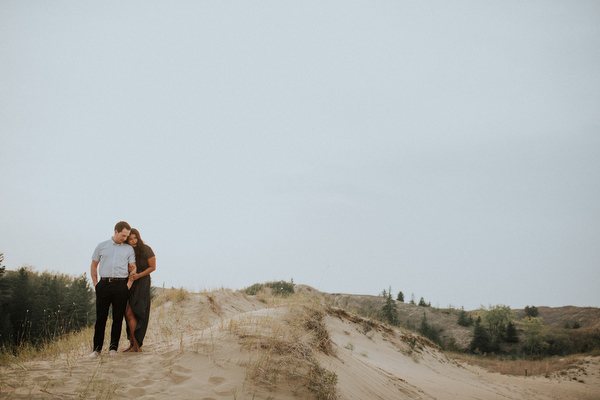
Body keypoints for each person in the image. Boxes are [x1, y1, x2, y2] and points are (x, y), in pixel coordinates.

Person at [90, 221, 136, 357]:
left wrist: (128, 285)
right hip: (103, 284)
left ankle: (113, 348)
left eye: (127, 236)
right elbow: (93, 265)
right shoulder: (101, 246)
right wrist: (95, 283)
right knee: (101, 318)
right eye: (123, 235)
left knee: (117, 318)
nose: (125, 238)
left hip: (121, 285)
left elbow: (133, 267)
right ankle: (96, 349)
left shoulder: (128, 249)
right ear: (116, 232)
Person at [123, 228, 156, 352]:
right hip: (130, 283)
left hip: (142, 282)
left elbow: (153, 267)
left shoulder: (146, 249)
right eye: (130, 239)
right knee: (127, 314)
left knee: (133, 312)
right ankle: (132, 344)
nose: (133, 241)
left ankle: (137, 345)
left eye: (135, 238)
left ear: (139, 237)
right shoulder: (127, 251)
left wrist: (138, 276)